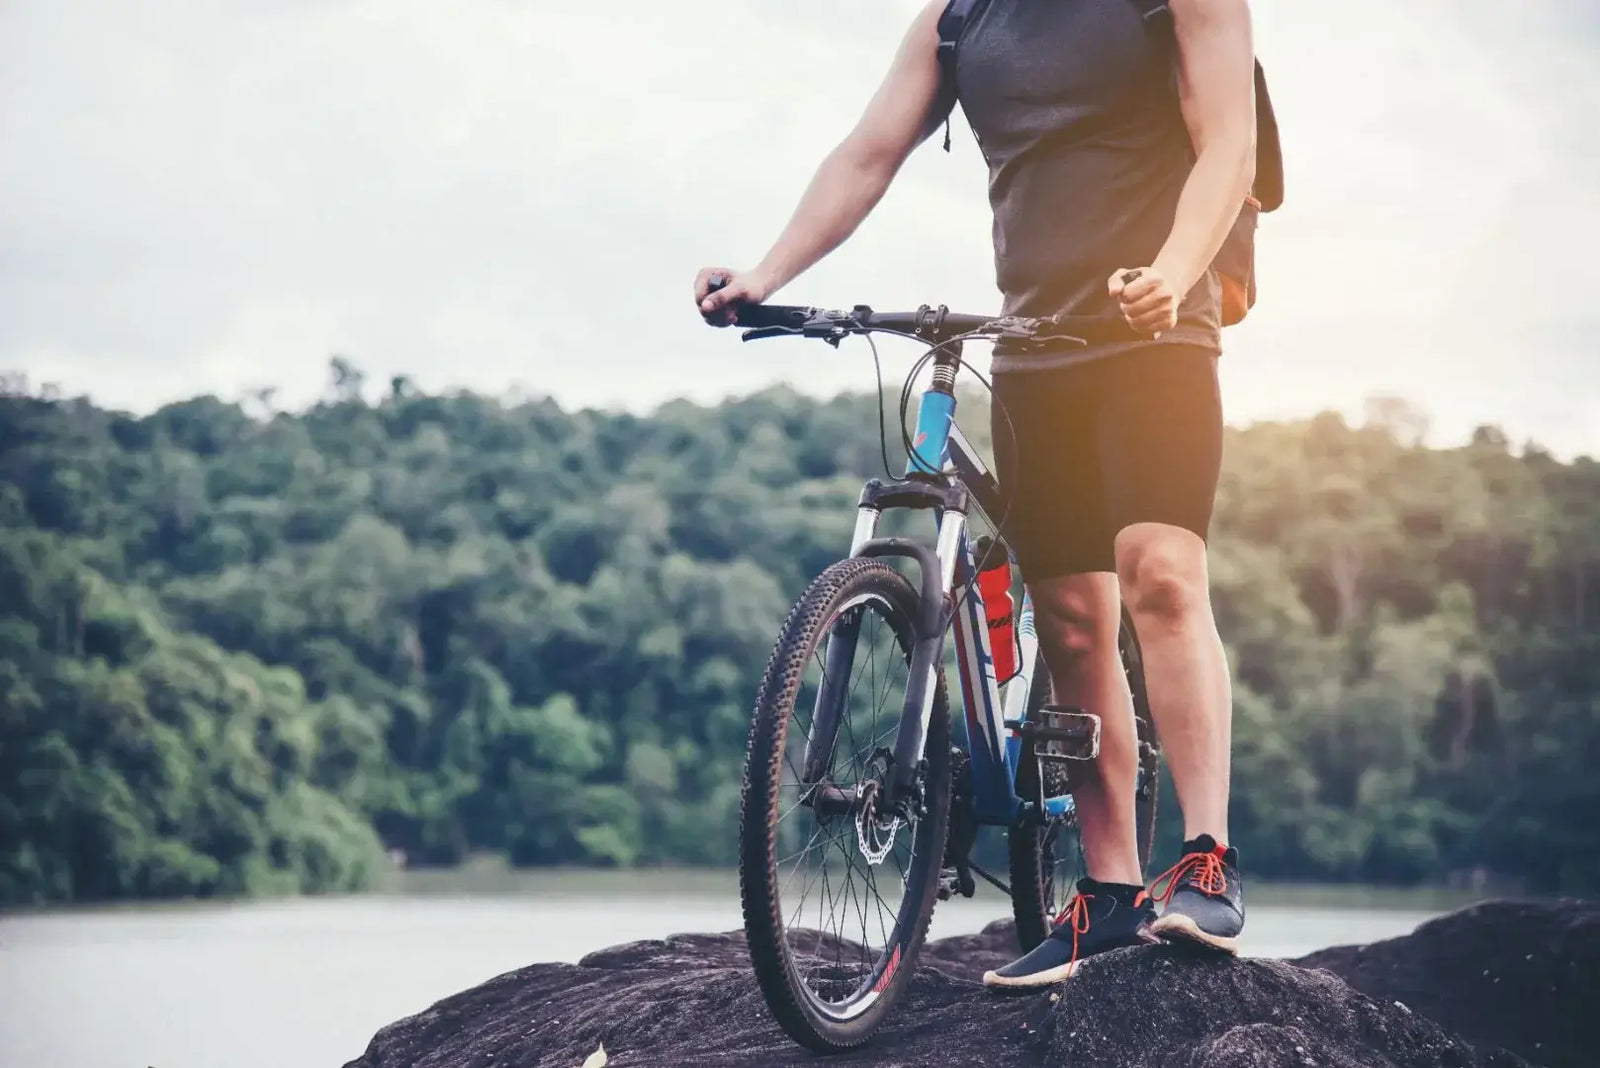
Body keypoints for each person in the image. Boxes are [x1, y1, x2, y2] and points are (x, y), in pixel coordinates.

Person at [695, 0, 1256, 988]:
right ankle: (1110, 898)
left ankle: (1206, 861)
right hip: (1036, 347)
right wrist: (767, 273)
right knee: (1073, 623)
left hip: (1159, 336)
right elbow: (867, 153)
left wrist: (1174, 272)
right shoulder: (962, 19)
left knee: (1159, 573)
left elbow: (1227, 150)